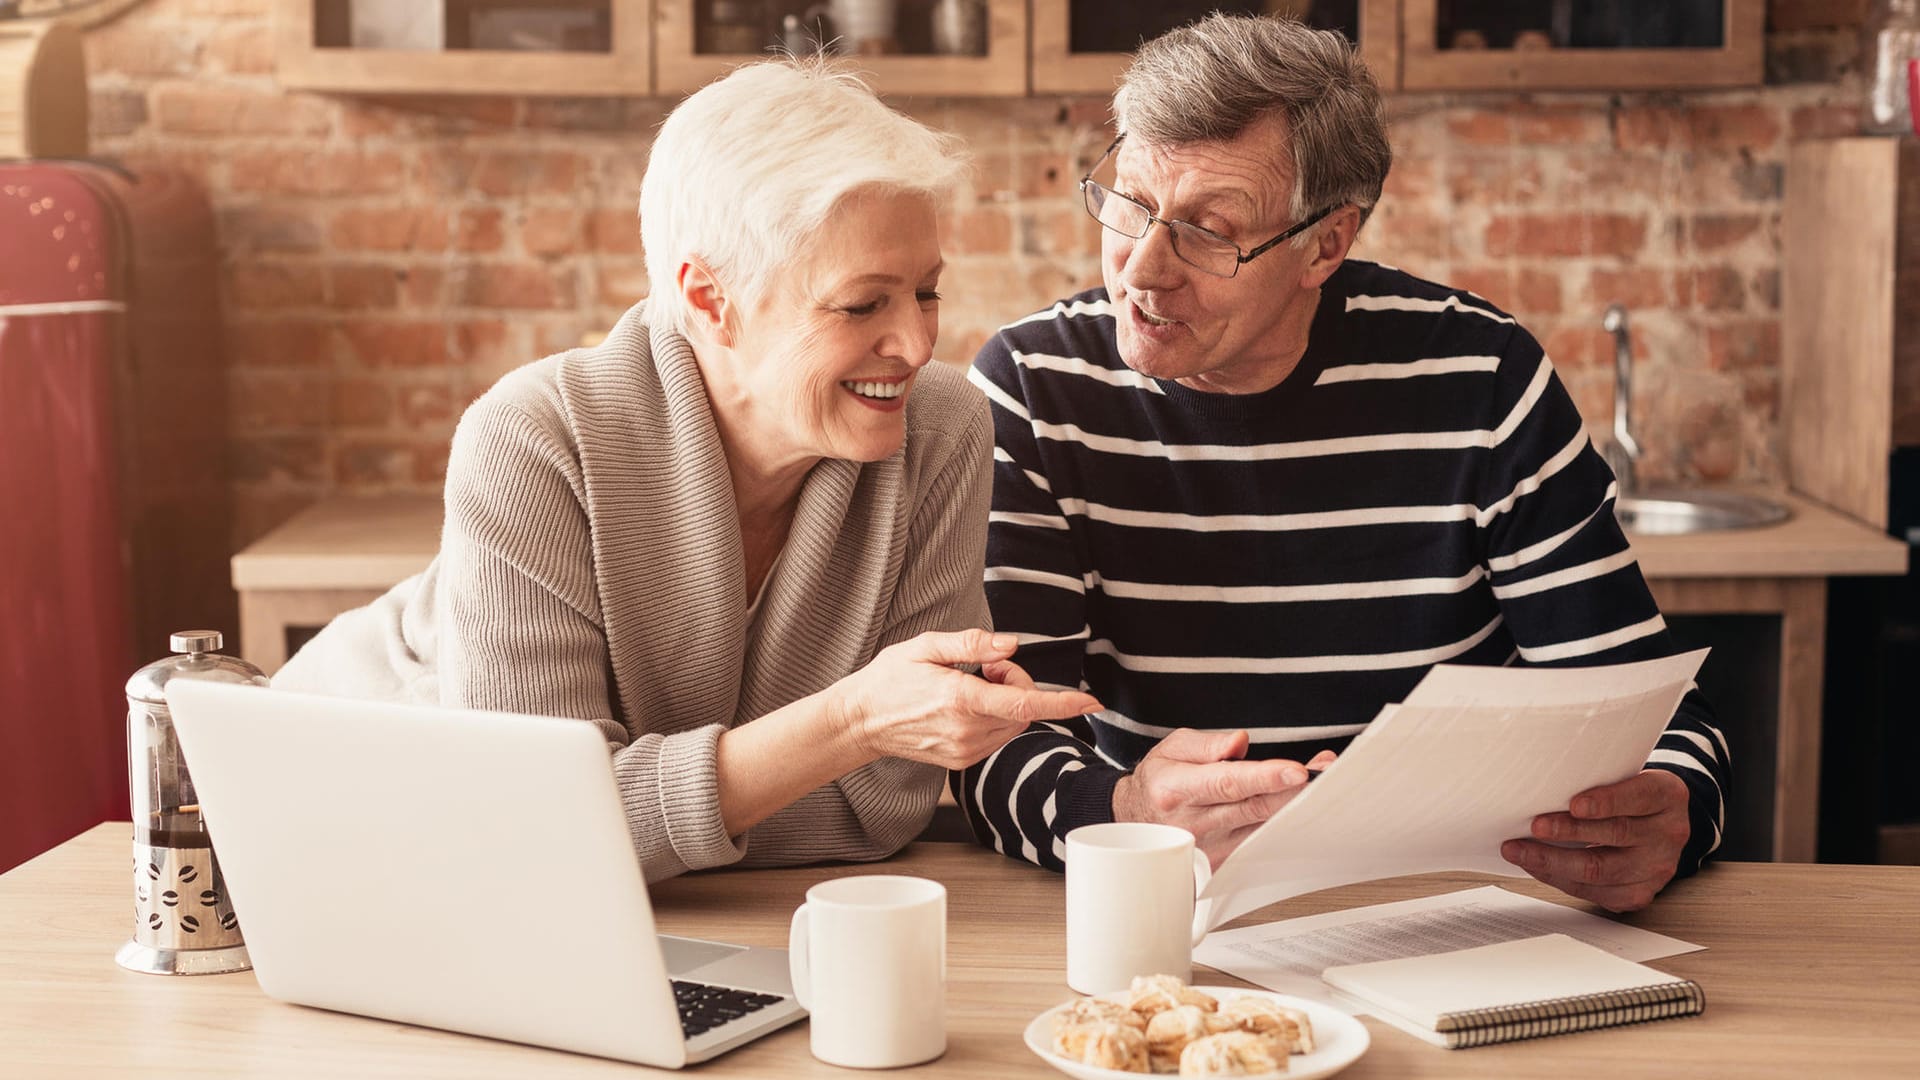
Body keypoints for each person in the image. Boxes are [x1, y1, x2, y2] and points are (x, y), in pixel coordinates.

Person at [954, 14, 1728, 913]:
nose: (1144, 269)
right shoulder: (1034, 385)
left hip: (1453, 903)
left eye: (1209, 230)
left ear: (1326, 243)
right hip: (1169, 904)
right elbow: (994, 742)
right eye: (1130, 204)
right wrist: (1123, 810)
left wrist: (1673, 807)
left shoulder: (1480, 377)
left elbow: (1649, 711)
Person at [275, 60, 1099, 883]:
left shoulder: (941, 427)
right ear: (710, 301)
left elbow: (882, 810)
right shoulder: (531, 439)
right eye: (862, 304)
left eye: (925, 292)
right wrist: (848, 725)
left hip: (626, 904)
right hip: (327, 832)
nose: (916, 346)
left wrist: (625, 810)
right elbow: (531, 831)